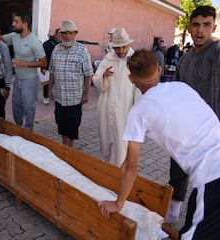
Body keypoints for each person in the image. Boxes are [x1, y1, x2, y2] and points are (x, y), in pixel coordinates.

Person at [98, 49, 220, 240]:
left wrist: (118, 203)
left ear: (130, 79)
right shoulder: (182, 87)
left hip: (212, 176)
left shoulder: (139, 111)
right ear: (159, 69)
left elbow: (130, 166)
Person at [166, 5, 220, 224]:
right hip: (183, 130)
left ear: (213, 27)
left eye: (206, 25)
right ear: (189, 27)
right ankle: (171, 217)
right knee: (177, 174)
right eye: (196, 25)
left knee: (204, 184)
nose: (200, 30)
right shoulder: (185, 59)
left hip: (210, 135)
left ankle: (195, 226)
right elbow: (177, 92)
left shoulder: (216, 52)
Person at [0, 11, 46, 131]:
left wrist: (24, 64)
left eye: (16, 21)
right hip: (18, 79)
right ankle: (19, 128)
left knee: (29, 107)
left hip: (29, 79)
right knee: (16, 106)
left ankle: (28, 131)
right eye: (13, 21)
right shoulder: (14, 36)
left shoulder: (34, 41)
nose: (13, 24)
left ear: (25, 24)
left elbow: (43, 62)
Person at [92, 28, 141, 167]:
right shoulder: (108, 58)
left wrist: (137, 110)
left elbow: (139, 86)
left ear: (128, 45)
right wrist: (104, 77)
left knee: (121, 144)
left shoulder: (135, 60)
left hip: (125, 109)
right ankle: (107, 170)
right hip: (107, 106)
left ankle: (119, 173)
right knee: (106, 139)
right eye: (117, 48)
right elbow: (96, 79)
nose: (120, 51)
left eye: (123, 47)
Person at [48, 20, 93, 147]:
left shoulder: (82, 50)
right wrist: (49, 89)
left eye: (70, 33)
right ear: (60, 34)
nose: (67, 36)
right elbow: (52, 70)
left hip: (75, 98)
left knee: (73, 126)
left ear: (75, 34)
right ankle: (64, 146)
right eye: (64, 33)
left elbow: (88, 73)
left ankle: (70, 149)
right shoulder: (56, 49)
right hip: (60, 97)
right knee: (61, 124)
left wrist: (86, 94)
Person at [41, 28, 62, 105]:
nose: (60, 38)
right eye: (59, 36)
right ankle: (45, 97)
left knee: (57, 82)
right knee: (46, 83)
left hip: (58, 67)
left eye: (61, 36)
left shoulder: (62, 45)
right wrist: (43, 68)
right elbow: (43, 57)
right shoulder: (46, 44)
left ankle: (56, 96)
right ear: (55, 35)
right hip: (47, 66)